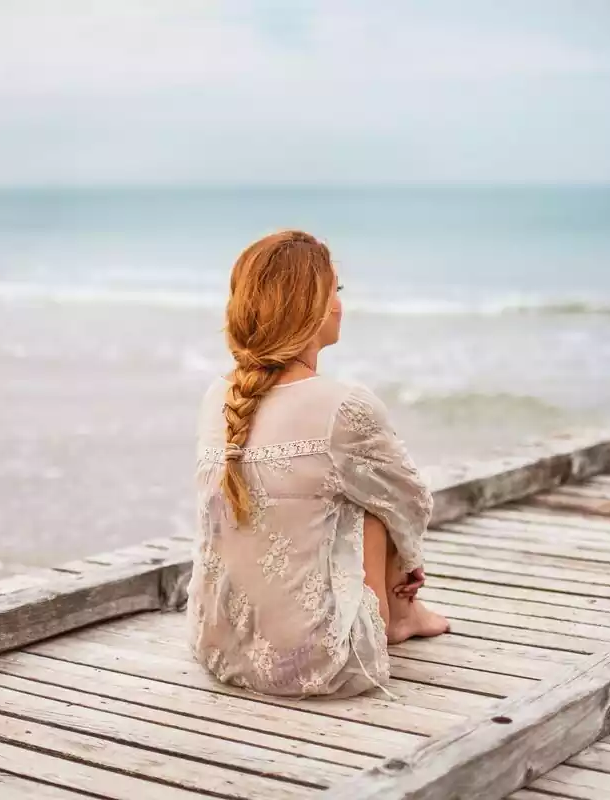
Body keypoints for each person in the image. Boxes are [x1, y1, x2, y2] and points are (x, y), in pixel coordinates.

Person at [189, 229, 449, 699]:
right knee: (375, 498)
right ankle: (403, 615)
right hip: (316, 660)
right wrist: (408, 563)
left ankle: (401, 613)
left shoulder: (217, 397)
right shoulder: (343, 405)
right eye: (336, 292)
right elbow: (412, 500)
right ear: (311, 308)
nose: (340, 305)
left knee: (332, 487)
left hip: (218, 647)